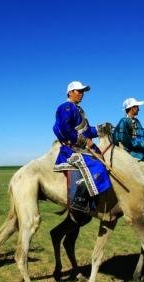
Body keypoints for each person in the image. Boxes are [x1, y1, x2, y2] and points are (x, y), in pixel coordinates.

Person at [53, 81, 112, 212]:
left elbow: (88, 131)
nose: (81, 94)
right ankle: (79, 201)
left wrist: (103, 128)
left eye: (82, 92)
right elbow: (65, 129)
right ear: (70, 93)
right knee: (97, 166)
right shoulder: (66, 107)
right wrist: (85, 141)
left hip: (82, 148)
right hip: (72, 149)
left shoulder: (79, 110)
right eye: (78, 91)